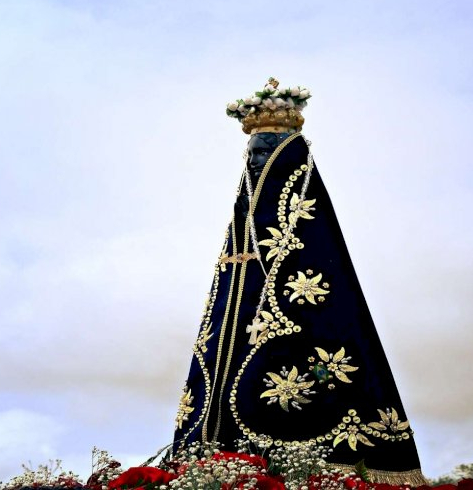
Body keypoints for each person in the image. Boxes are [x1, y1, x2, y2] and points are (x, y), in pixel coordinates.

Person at [170, 79, 427, 485]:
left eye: (265, 153)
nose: (255, 162)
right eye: (251, 154)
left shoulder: (309, 213)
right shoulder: (244, 214)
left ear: (287, 154)